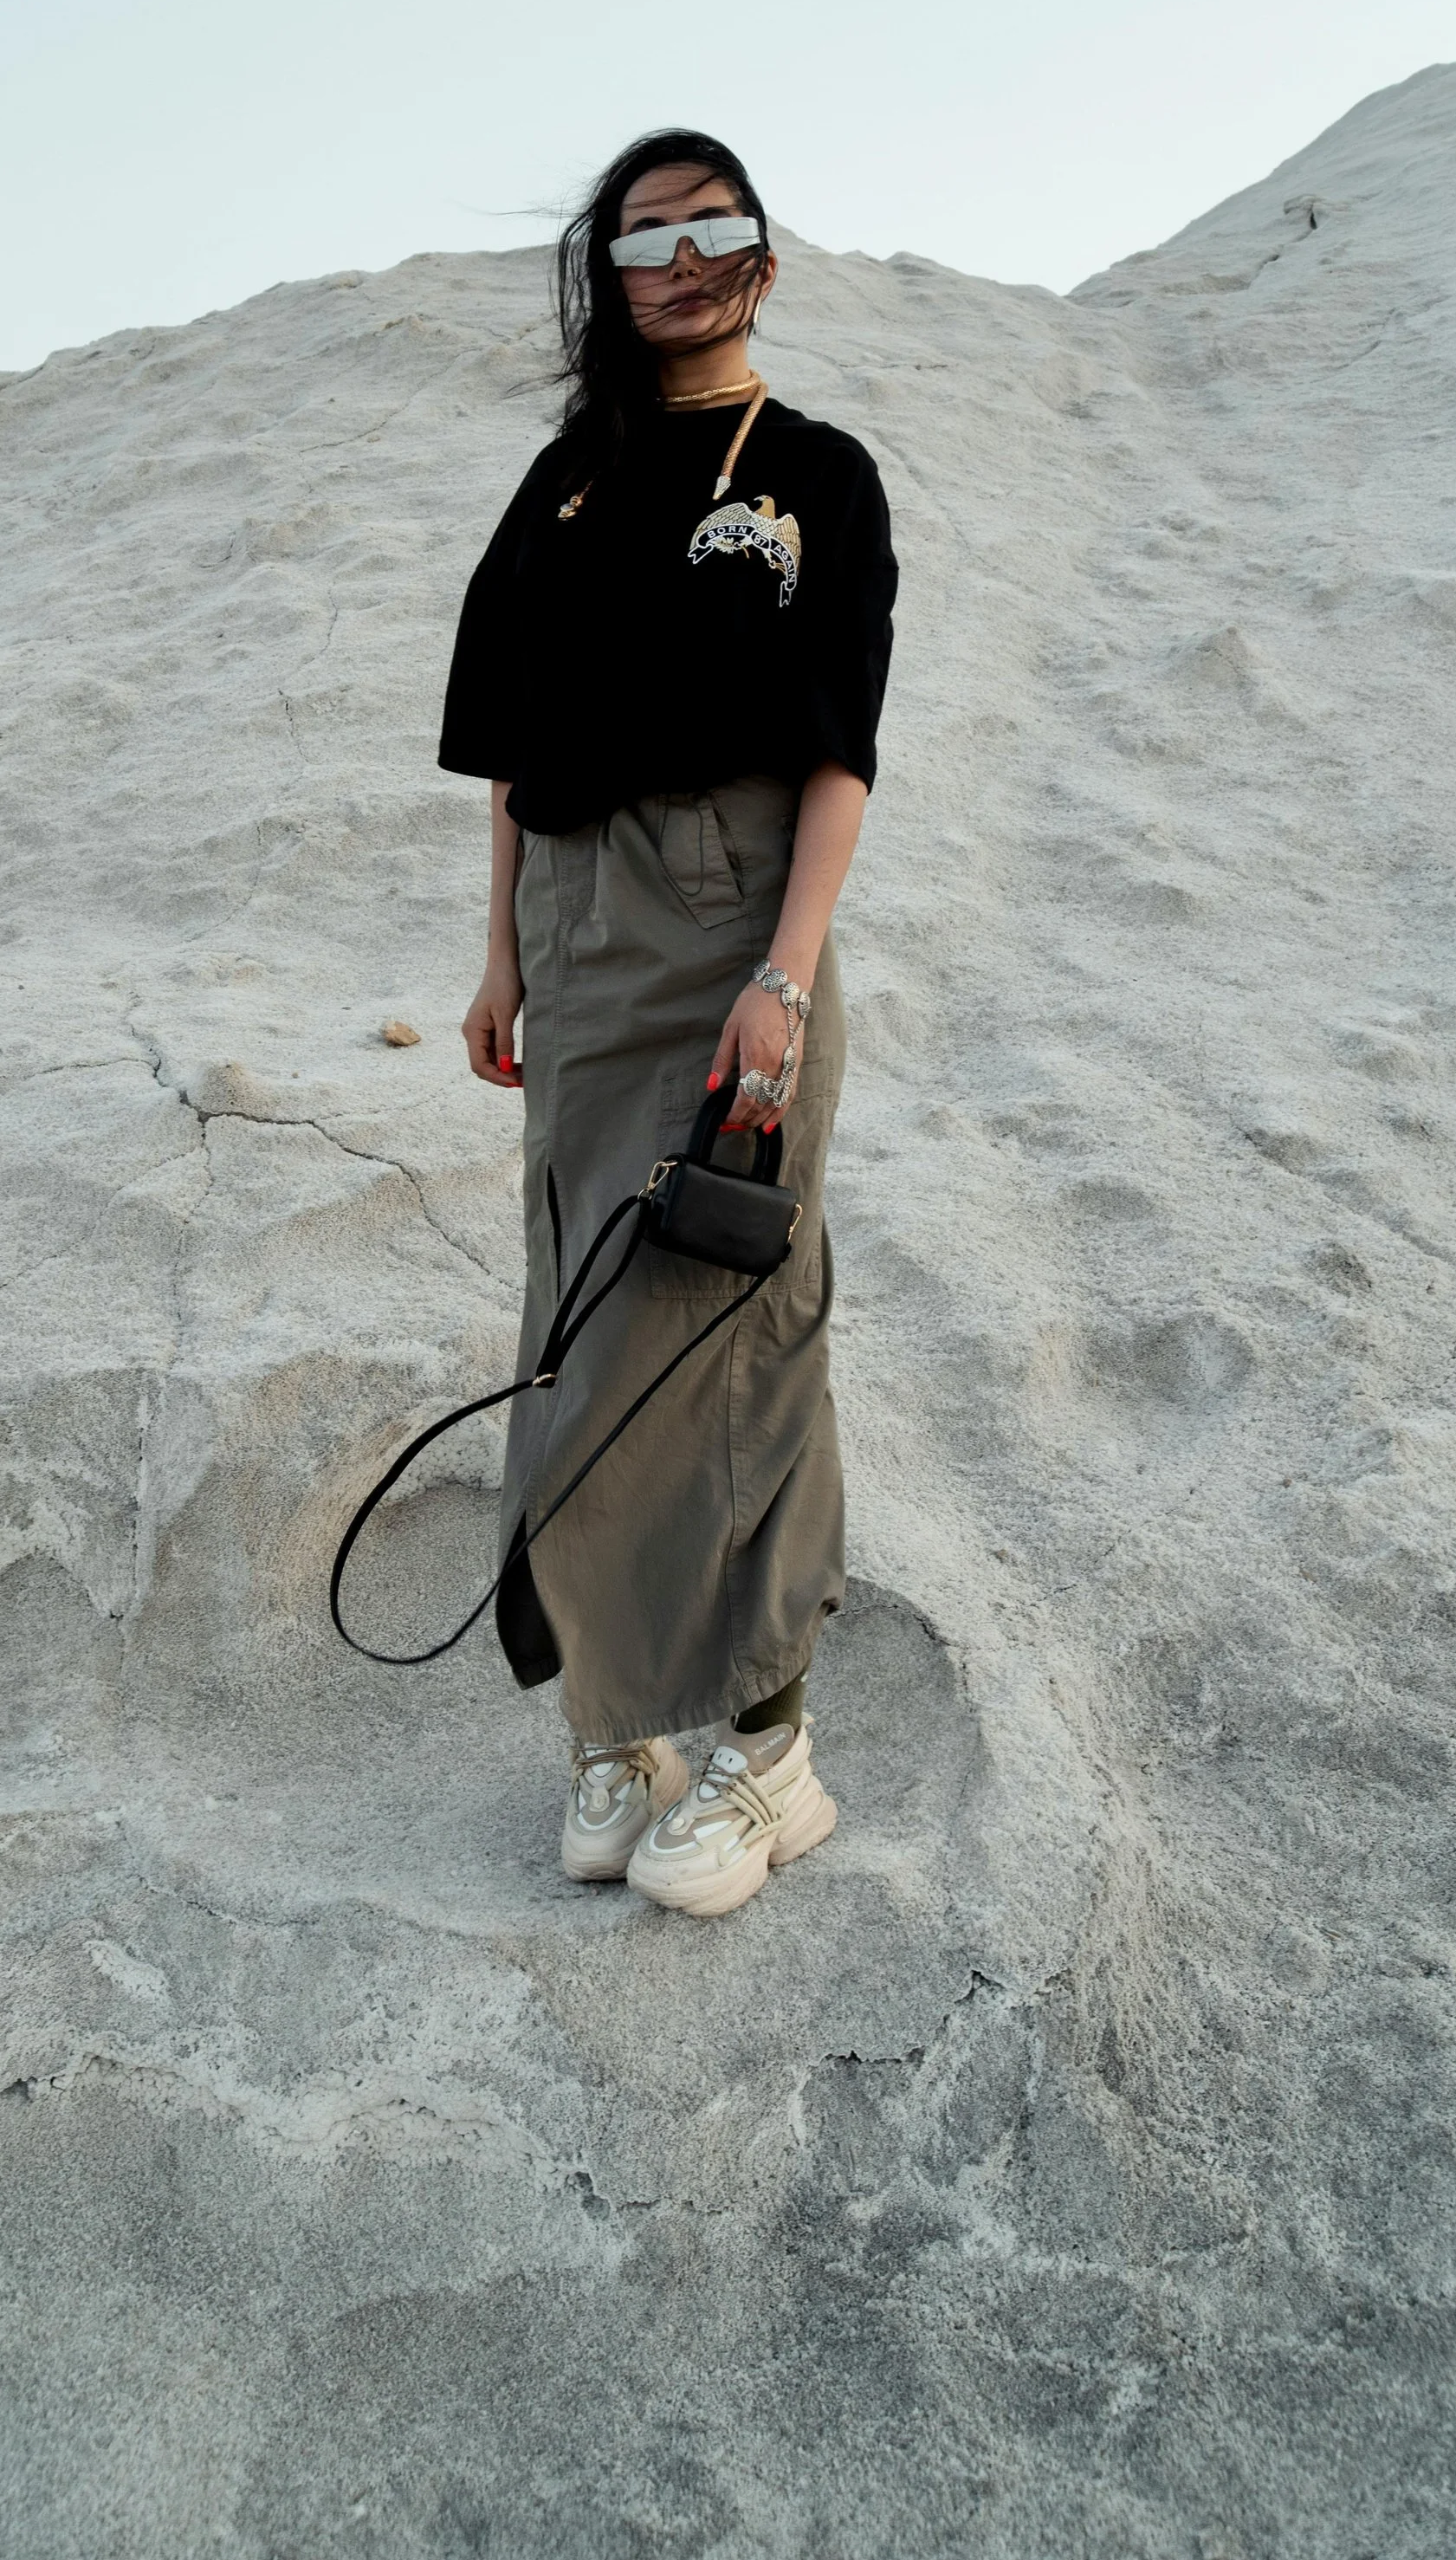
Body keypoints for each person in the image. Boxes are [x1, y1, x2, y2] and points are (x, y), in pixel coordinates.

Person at [438, 130, 896, 1919]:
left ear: (762, 259)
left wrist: (784, 973)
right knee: (576, 1316)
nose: (680, 261)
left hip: (732, 919)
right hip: (571, 928)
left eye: (714, 228)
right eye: (644, 238)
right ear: (607, 276)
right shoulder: (564, 484)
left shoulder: (814, 475)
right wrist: (501, 954)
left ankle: (770, 1756)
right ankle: (620, 1728)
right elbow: (506, 748)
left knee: (732, 1315)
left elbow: (838, 750)